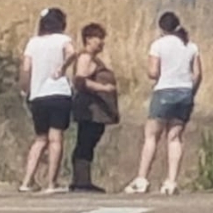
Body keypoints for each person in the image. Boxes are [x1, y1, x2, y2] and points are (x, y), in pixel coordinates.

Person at [125, 11, 202, 196]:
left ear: (161, 28)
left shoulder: (158, 45)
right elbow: (198, 74)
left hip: (164, 91)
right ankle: (171, 181)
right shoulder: (190, 46)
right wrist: (191, 92)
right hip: (184, 93)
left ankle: (142, 179)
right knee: (175, 138)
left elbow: (153, 72)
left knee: (151, 136)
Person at [19, 7, 76, 194]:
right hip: (59, 93)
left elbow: (26, 68)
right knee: (56, 138)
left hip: (38, 95)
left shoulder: (33, 43)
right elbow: (72, 53)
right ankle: (51, 183)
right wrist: (63, 67)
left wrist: (25, 88)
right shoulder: (62, 39)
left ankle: (27, 181)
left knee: (40, 138)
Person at [70, 22, 119, 192]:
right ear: (88, 39)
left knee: (89, 142)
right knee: (85, 142)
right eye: (98, 38)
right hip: (89, 109)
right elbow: (79, 80)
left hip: (97, 110)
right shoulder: (85, 58)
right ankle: (80, 181)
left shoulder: (93, 59)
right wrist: (103, 88)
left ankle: (83, 179)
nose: (102, 42)